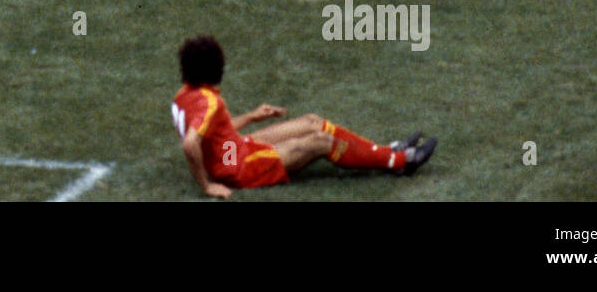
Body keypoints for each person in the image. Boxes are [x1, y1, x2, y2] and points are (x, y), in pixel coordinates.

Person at [173, 35, 437, 198]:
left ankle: (385, 150)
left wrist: (252, 117)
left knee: (312, 121)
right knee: (320, 141)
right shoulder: (210, 102)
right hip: (237, 168)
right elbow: (190, 144)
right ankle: (400, 160)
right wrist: (207, 186)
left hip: (231, 150)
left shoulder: (184, 94)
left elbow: (216, 131)